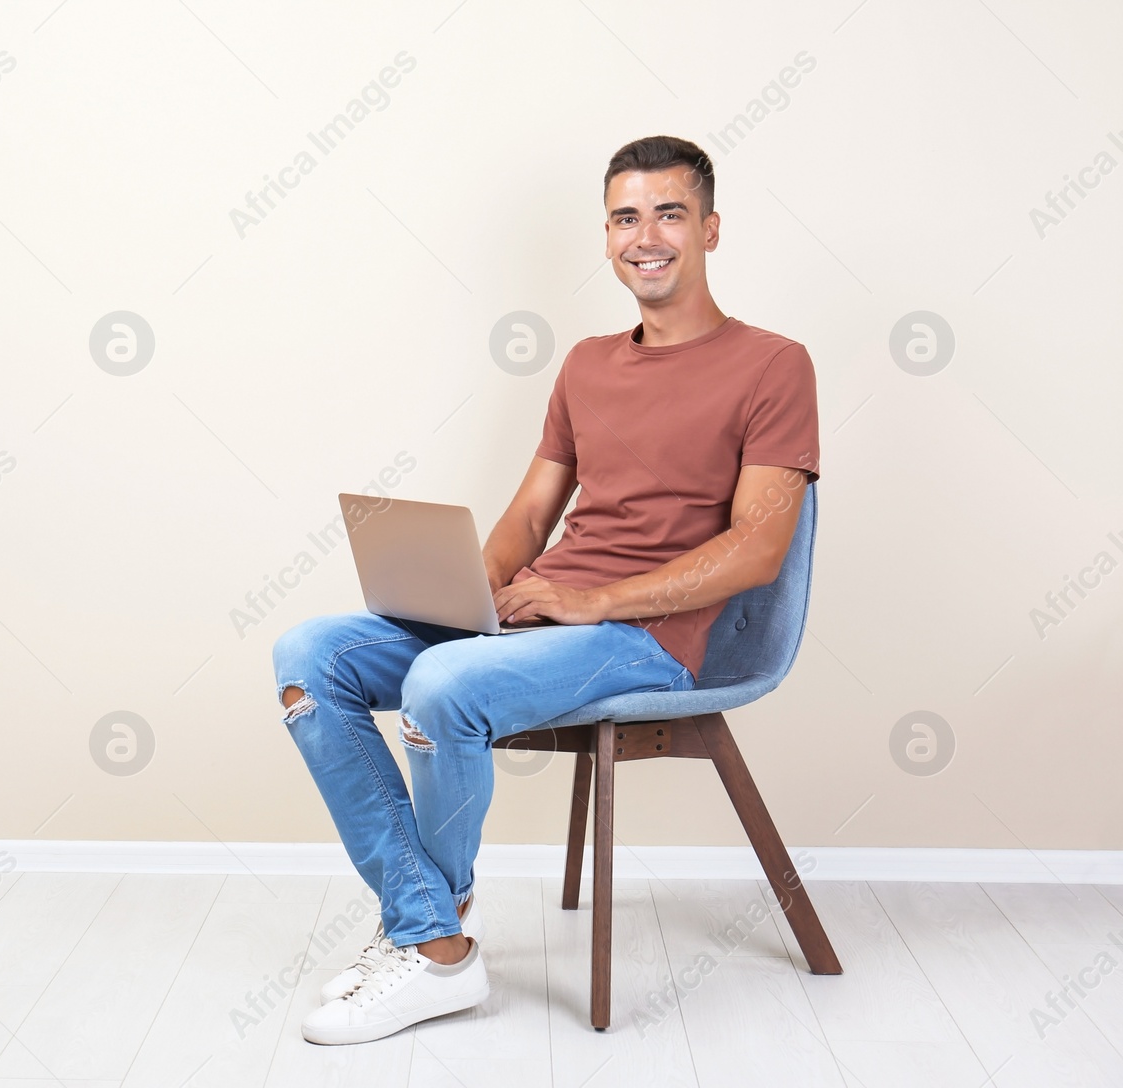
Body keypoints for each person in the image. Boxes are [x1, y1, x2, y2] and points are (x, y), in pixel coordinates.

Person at [272, 134, 821, 1045]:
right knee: (308, 655)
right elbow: (531, 517)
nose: (646, 236)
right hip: (535, 613)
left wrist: (595, 601)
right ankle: (432, 924)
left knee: (441, 687)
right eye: (625, 217)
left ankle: (433, 955)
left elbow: (757, 552)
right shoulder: (587, 365)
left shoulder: (773, 364)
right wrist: (468, 595)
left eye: (670, 213)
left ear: (711, 229)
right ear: (607, 237)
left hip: (647, 636)